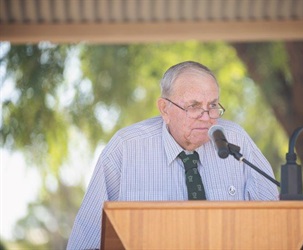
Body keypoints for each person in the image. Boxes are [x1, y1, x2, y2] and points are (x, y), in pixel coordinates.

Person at [67, 61, 279, 249]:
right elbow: (86, 240)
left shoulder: (235, 141)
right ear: (165, 109)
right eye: (194, 106)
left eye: (213, 106)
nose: (206, 118)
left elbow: (278, 224)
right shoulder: (125, 149)